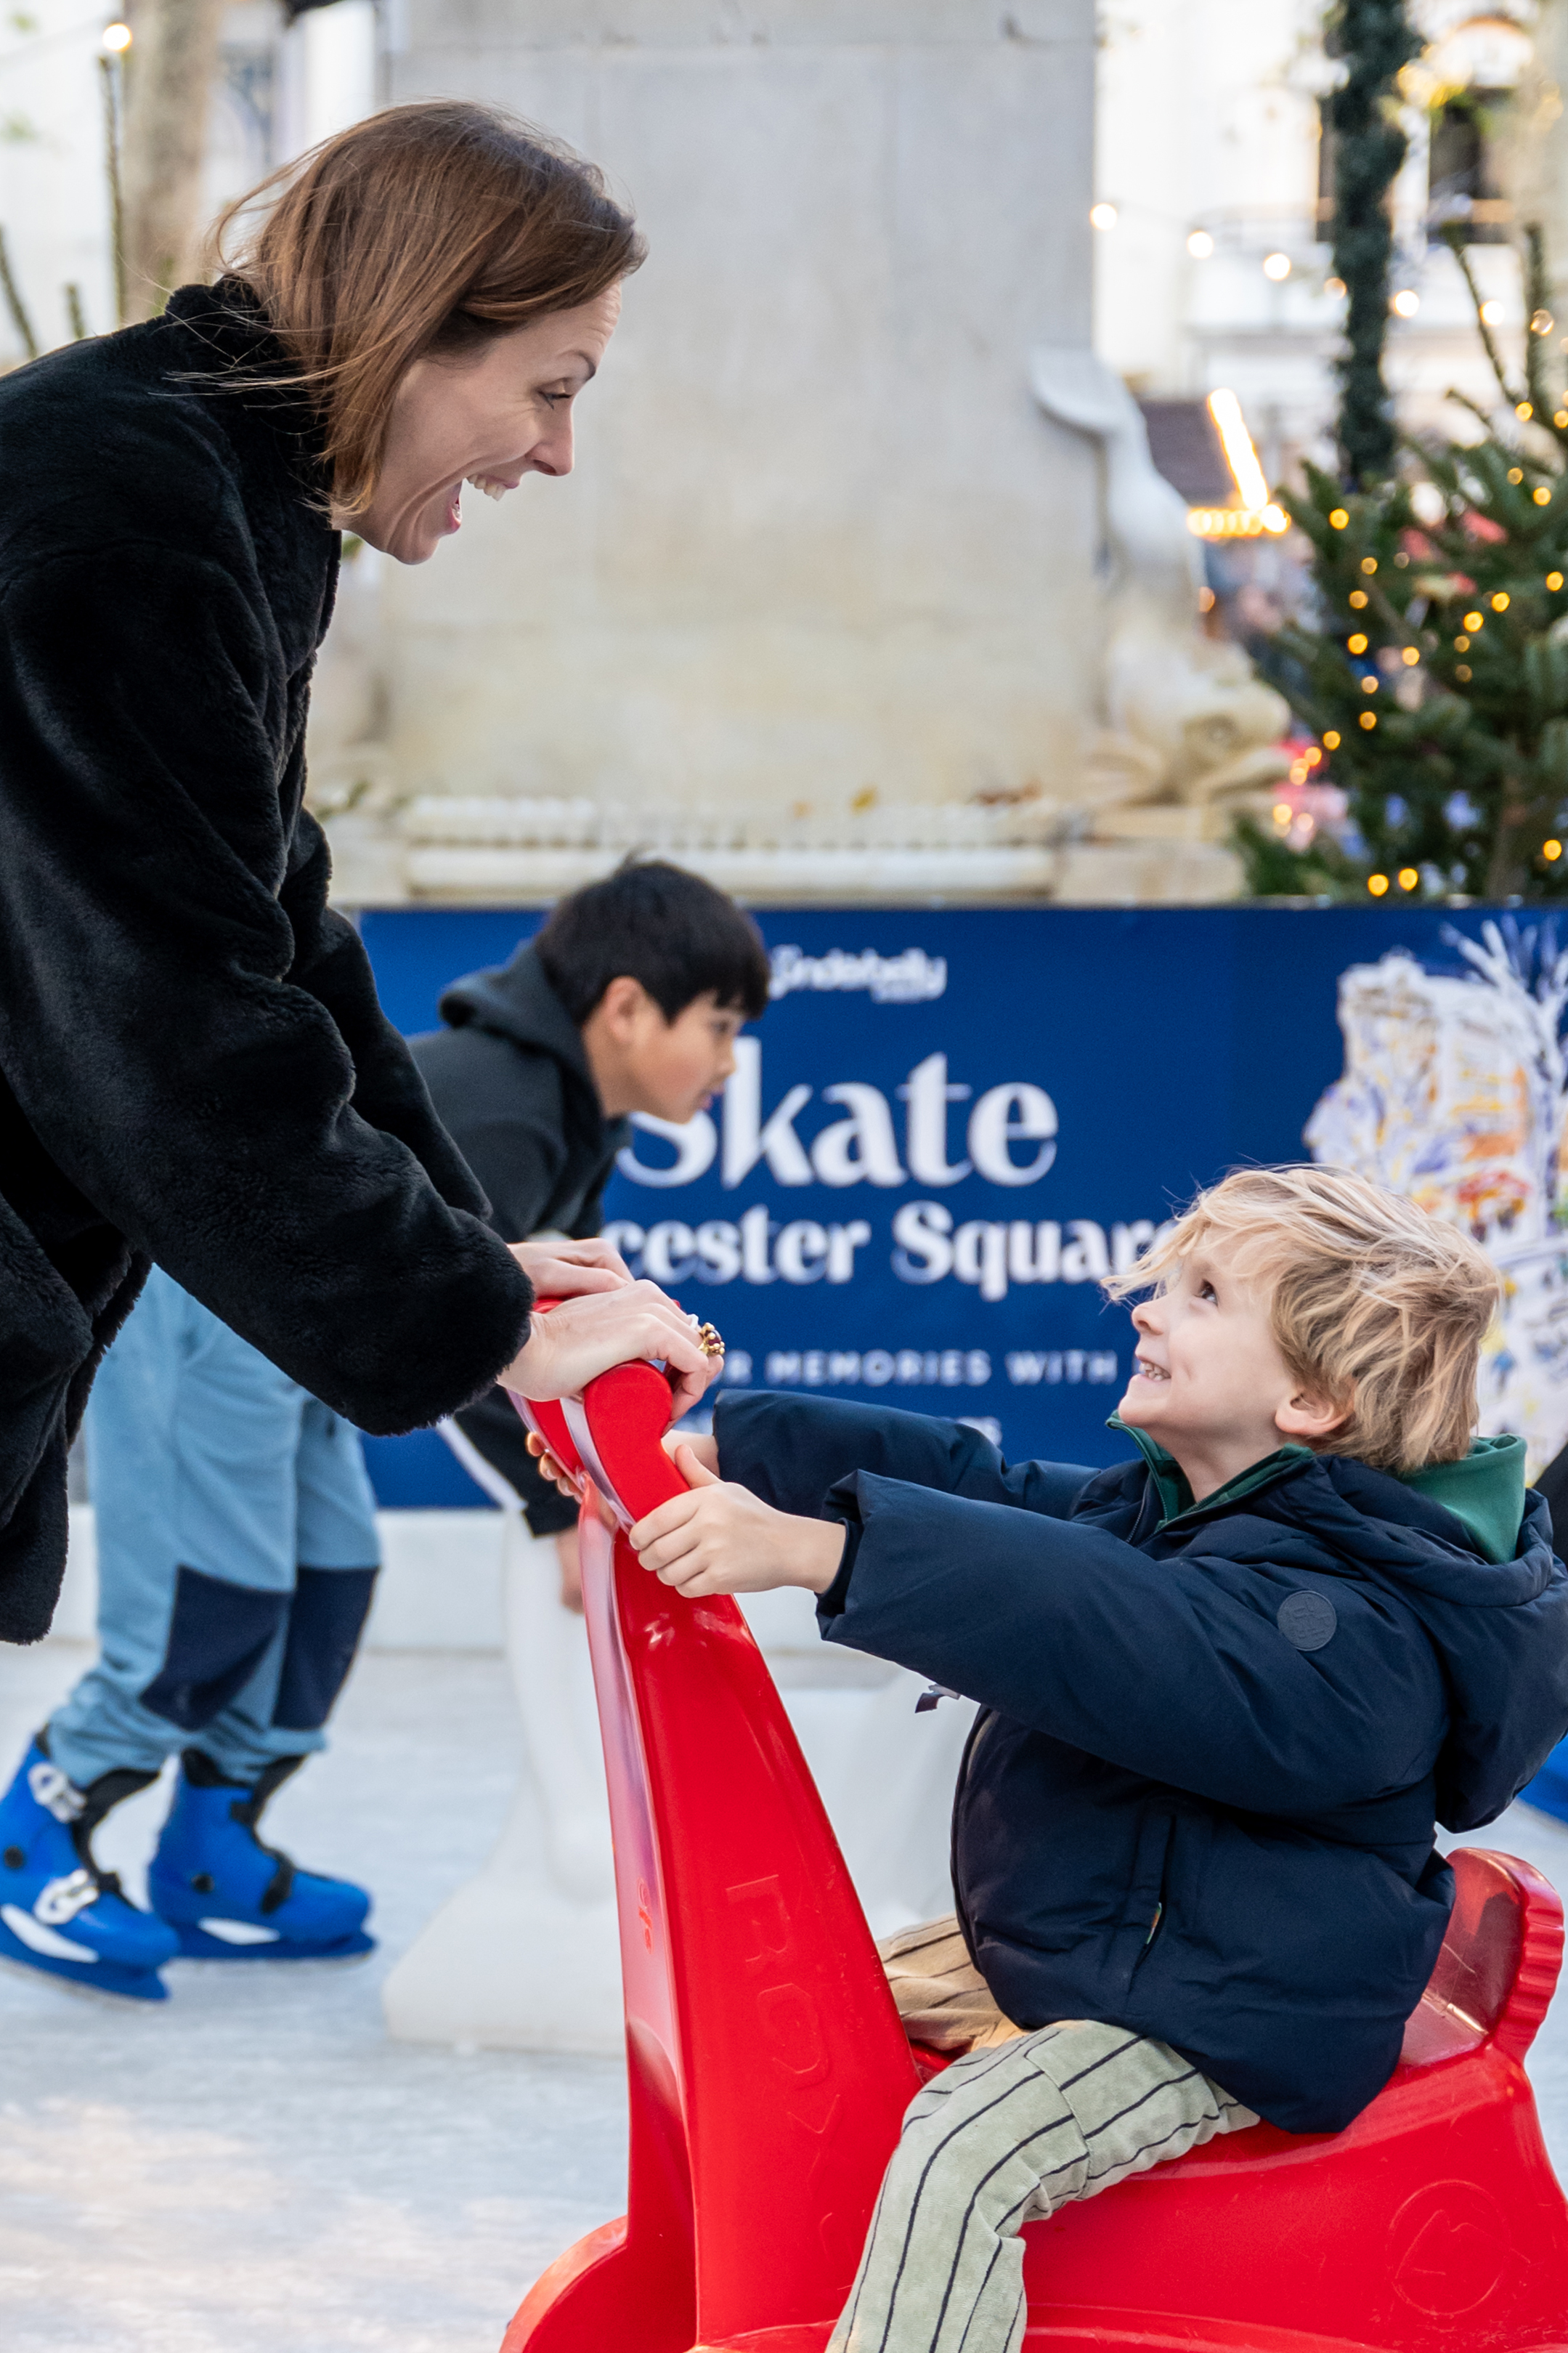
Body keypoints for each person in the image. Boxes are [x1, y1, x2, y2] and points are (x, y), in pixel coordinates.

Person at [0, 105, 716, 1988]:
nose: (557, 450)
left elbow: (278, 924)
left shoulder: (224, 497)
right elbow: (158, 1004)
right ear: (418, 328)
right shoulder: (115, 491)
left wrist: (466, 1263)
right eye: (546, 387)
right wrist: (472, 1320)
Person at [605, 1165, 1568, 2353]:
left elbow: (1106, 1629)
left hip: (1229, 2008)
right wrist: (738, 1451)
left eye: (1204, 1294)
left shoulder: (1345, 1624)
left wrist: (822, 1550)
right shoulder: (1193, 1508)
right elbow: (996, 1496)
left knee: (968, 2148)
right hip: (1133, 1942)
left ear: (1310, 1400)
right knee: (819, 2018)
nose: (1150, 1308)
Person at [410, 859, 771, 1608]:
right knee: (216, 1595)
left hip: (297, 1347)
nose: (731, 1063)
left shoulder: (579, 1121)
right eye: (719, 1025)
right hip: (213, 1306)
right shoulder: (506, 1110)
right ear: (627, 1008)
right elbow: (453, 1308)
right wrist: (563, 1513)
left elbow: (581, 1315)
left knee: (324, 1582)